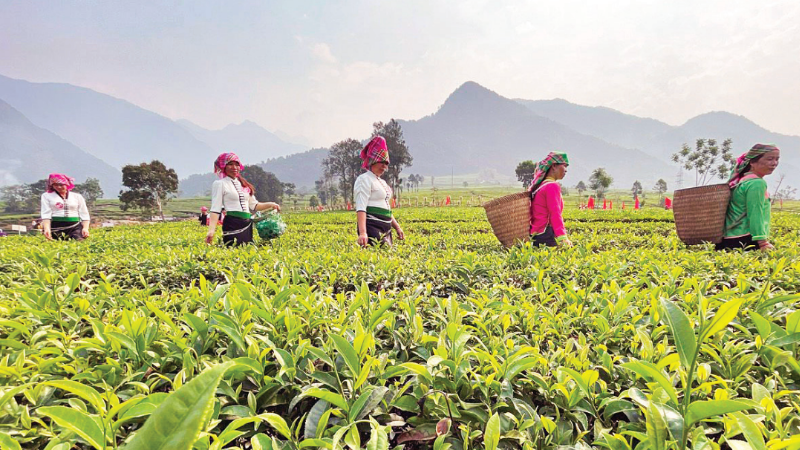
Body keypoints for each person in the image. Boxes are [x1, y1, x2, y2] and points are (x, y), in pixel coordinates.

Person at [205, 153, 280, 246]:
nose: (234, 167)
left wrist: (271, 204)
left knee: (247, 250)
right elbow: (215, 209)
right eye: (230, 164)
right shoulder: (220, 184)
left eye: (236, 164)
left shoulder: (243, 184)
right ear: (223, 166)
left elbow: (255, 205)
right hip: (232, 223)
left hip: (246, 224)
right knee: (233, 250)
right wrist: (211, 231)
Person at [716, 143, 780, 252]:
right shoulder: (756, 184)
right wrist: (762, 242)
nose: (774, 163)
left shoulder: (741, 181)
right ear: (752, 162)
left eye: (777, 159)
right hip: (744, 240)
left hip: (728, 238)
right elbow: (755, 213)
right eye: (770, 159)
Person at [354, 136, 405, 247]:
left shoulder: (383, 182)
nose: (384, 166)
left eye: (386, 163)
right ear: (373, 161)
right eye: (381, 162)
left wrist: (397, 227)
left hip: (386, 228)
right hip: (372, 226)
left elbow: (386, 209)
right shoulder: (364, 179)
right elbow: (361, 207)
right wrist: (363, 233)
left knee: (387, 258)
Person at [528, 152, 572, 247]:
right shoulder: (552, 186)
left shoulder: (541, 186)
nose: (566, 170)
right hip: (546, 234)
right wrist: (562, 237)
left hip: (536, 233)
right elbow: (555, 213)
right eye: (564, 166)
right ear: (554, 166)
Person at [40, 173, 90, 240]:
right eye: (55, 185)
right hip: (56, 226)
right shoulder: (46, 196)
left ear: (67, 184)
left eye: (61, 185)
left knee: (79, 242)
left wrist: (85, 228)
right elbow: (46, 214)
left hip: (75, 226)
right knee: (57, 245)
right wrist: (47, 229)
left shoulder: (77, 197)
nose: (59, 187)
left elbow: (84, 214)